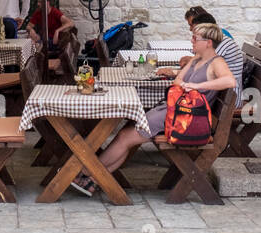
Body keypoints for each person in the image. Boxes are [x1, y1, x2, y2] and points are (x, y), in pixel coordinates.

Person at [72, 22, 237, 197]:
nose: (192, 40)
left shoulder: (216, 62)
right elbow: (177, 82)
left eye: (196, 38)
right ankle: (93, 180)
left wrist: (196, 85)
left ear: (209, 42)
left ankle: (84, 171)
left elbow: (230, 81)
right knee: (125, 138)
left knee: (124, 137)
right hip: (174, 111)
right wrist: (186, 85)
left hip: (184, 118)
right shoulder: (196, 59)